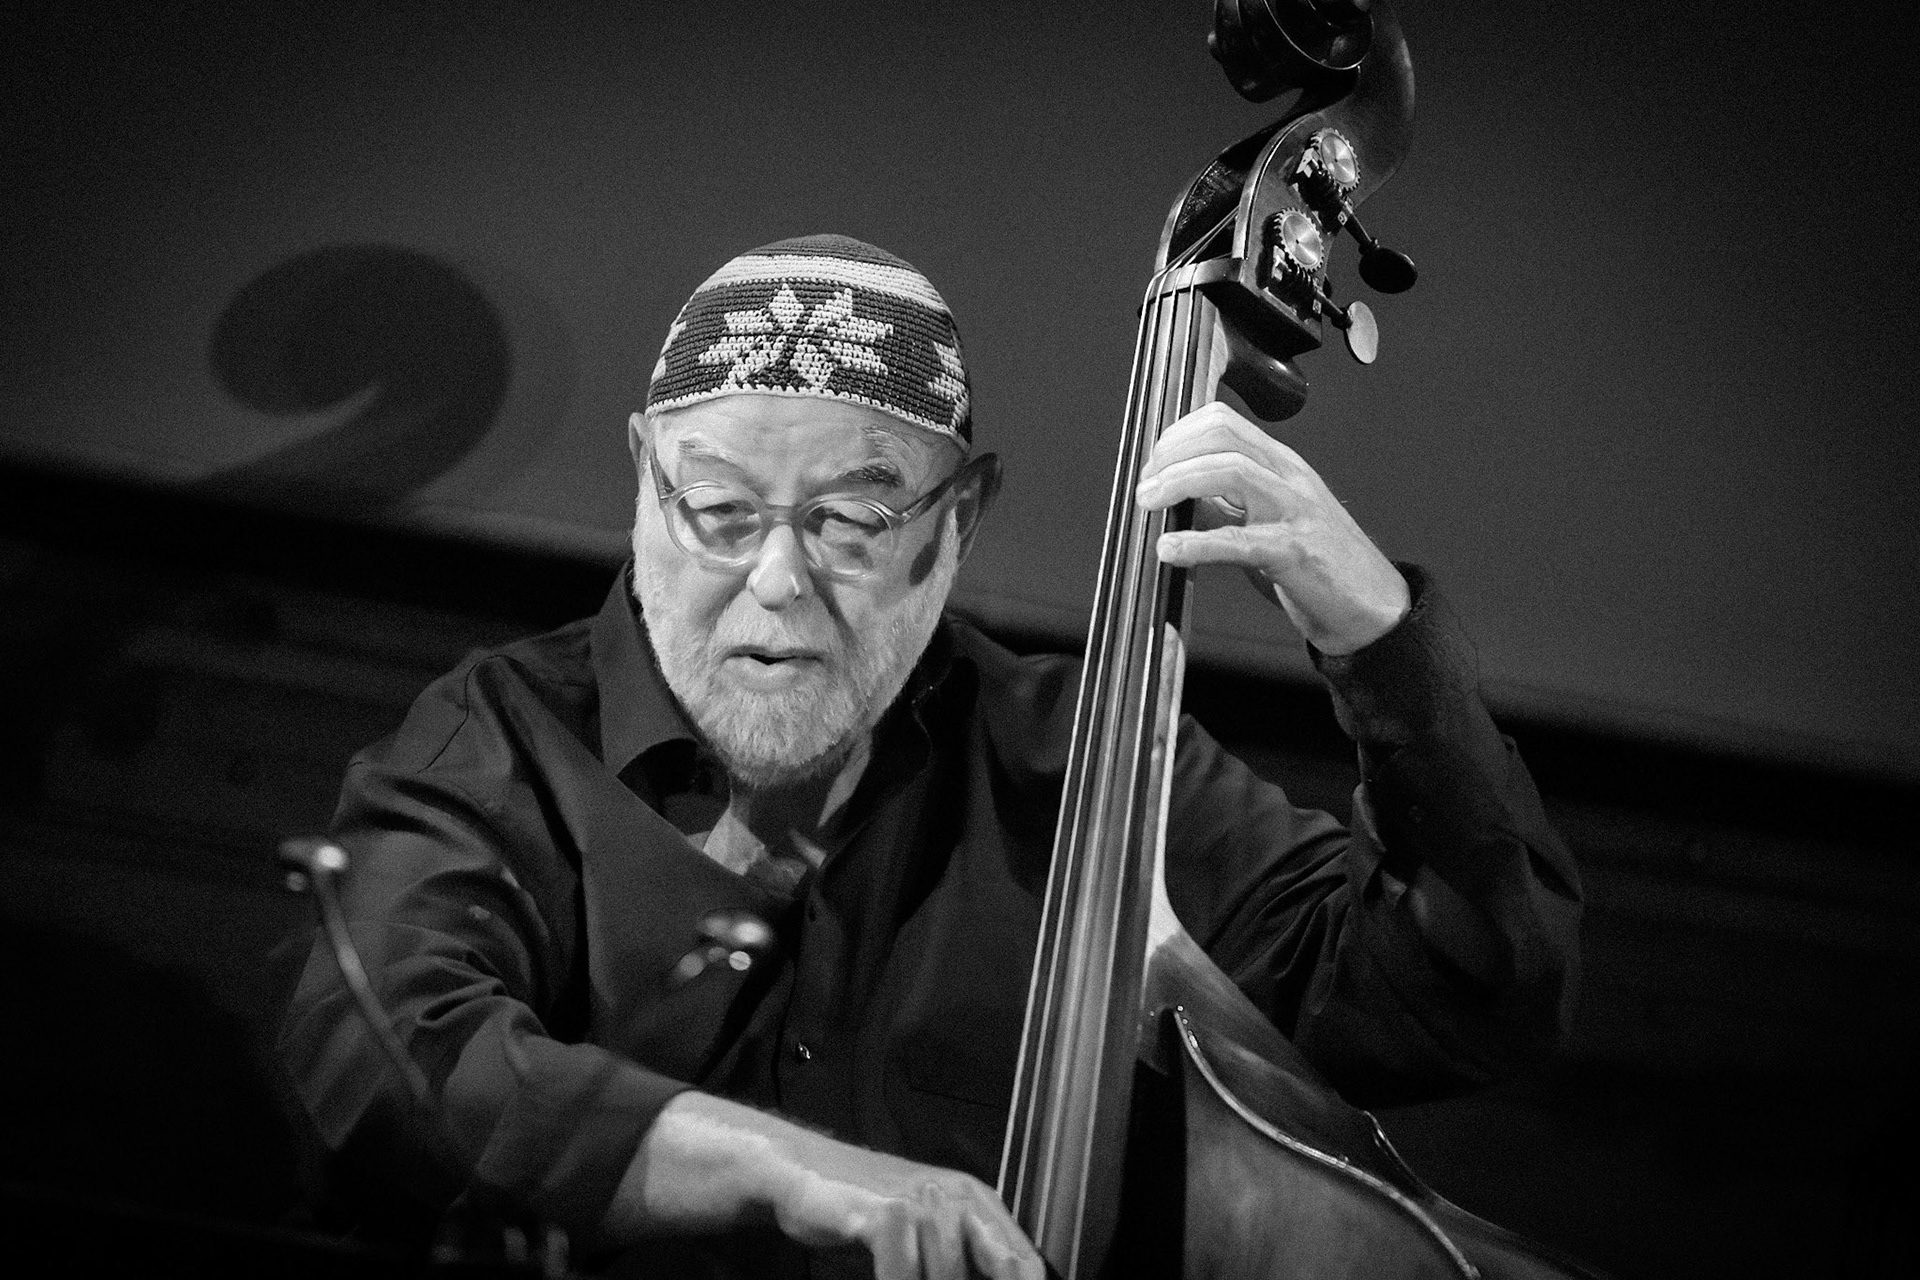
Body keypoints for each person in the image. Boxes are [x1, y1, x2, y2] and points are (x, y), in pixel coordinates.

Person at [278, 234, 1580, 1279]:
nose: (776, 584)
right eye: (719, 510)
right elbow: (388, 1054)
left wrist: (1381, 639)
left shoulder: (1098, 764)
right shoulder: (498, 739)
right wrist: (808, 1178)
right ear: (640, 478)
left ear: (958, 521)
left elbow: (1467, 997)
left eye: (851, 520)